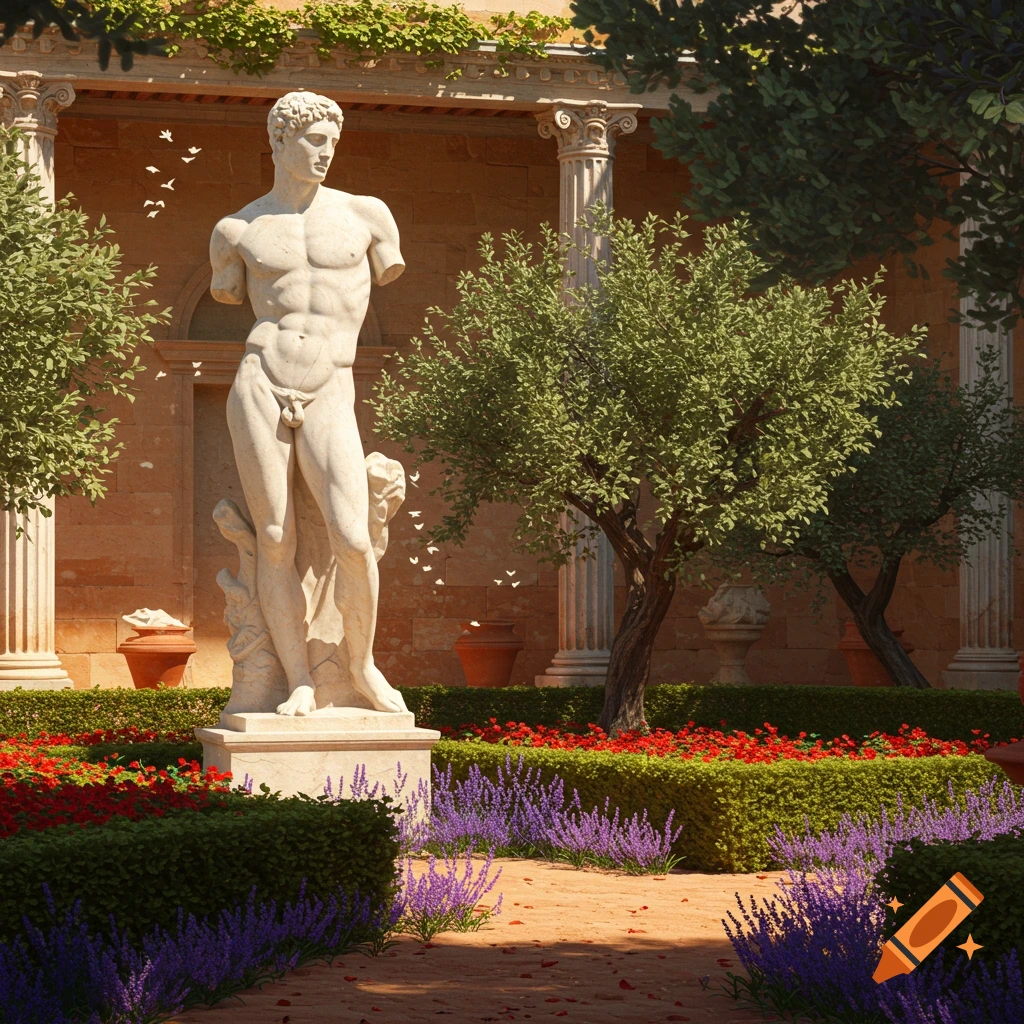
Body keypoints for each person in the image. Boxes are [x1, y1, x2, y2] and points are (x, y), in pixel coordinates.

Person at [209, 90, 407, 716]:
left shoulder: (368, 215)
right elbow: (226, 295)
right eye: (314, 140)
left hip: (332, 381)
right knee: (273, 535)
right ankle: (296, 679)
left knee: (352, 536)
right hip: (260, 377)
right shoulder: (237, 230)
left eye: (331, 142)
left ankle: (362, 664)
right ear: (279, 141)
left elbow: (387, 270)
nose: (325, 153)